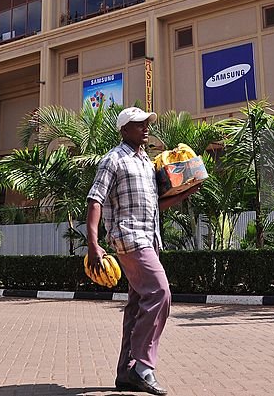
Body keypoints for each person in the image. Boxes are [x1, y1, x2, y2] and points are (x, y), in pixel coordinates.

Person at [86, 107, 200, 395]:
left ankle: (126, 372)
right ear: (124, 130)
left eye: (147, 123)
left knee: (137, 306)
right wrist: (93, 243)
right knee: (160, 292)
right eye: (138, 125)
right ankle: (143, 367)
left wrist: (184, 193)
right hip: (128, 238)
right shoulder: (113, 160)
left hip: (150, 238)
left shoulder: (147, 164)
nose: (145, 128)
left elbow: (154, 207)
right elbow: (95, 200)